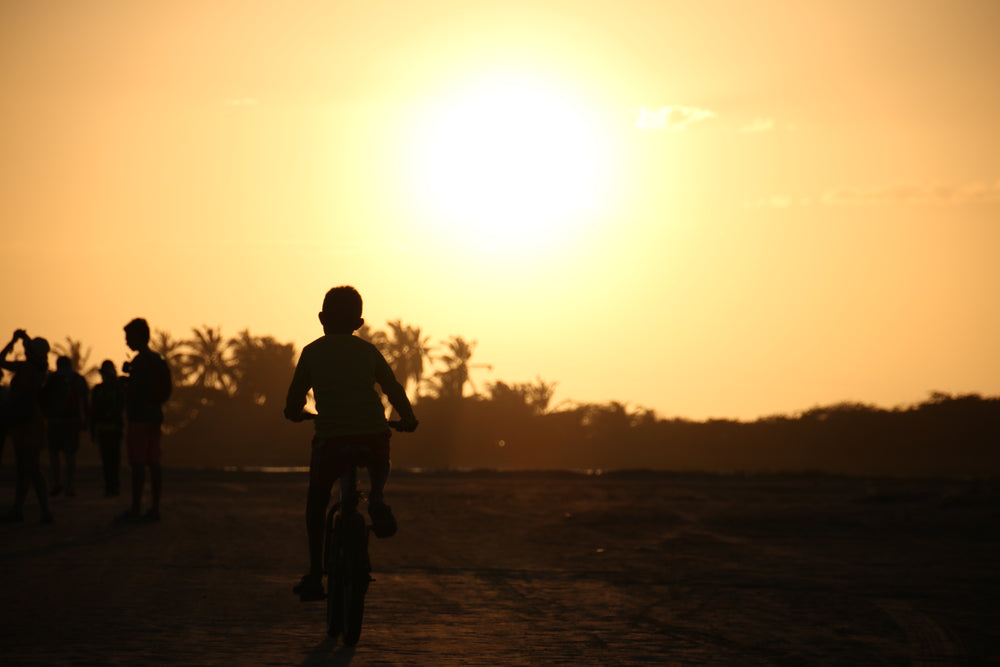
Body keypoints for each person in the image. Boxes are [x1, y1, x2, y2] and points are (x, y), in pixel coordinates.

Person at [284, 286, 418, 601]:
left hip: (332, 439)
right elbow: (393, 389)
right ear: (359, 323)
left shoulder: (312, 352)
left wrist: (294, 414)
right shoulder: (369, 352)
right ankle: (377, 497)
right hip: (372, 433)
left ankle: (316, 575)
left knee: (317, 501)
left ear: (321, 318)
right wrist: (409, 419)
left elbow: (293, 400)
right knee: (379, 456)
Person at [118, 318, 172, 522]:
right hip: (154, 417)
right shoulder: (158, 359)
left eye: (128, 337)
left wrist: (126, 383)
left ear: (138, 337)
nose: (126, 342)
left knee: (138, 465)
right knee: (154, 463)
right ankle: (154, 509)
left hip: (139, 418)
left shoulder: (140, 361)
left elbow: (136, 391)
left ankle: (135, 509)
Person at [0, 330, 53, 523]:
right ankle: (19, 509)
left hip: (28, 423)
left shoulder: (32, 368)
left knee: (31, 467)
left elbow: (2, 360)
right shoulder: (35, 368)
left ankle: (44, 511)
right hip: (26, 422)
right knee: (25, 468)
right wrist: (19, 340)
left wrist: (17, 340)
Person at [42, 356, 90, 497]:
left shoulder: (51, 378)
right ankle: (70, 487)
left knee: (54, 455)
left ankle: (56, 483)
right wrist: (86, 420)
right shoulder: (78, 379)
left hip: (54, 422)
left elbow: (43, 397)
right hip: (72, 422)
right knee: (70, 457)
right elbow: (85, 401)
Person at [90, 360, 126, 497]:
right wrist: (93, 429)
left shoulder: (117, 389)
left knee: (113, 459)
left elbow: (120, 407)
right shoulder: (99, 390)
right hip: (105, 430)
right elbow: (93, 412)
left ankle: (113, 486)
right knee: (107, 460)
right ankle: (110, 486)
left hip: (114, 430)